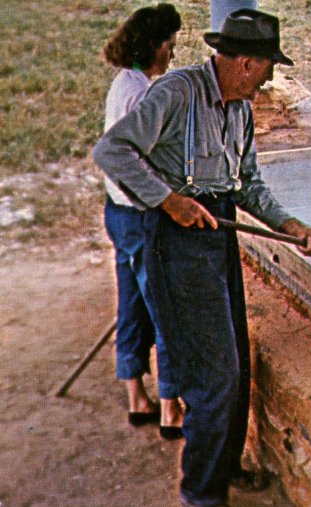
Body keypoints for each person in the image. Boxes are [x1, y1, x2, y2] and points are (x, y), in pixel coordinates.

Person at [93, 9, 311, 507]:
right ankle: (201, 494)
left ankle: (221, 471)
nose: (270, 79)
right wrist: (168, 200)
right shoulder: (177, 92)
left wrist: (294, 228)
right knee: (213, 376)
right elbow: (112, 151)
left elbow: (250, 187)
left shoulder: (241, 110)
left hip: (216, 235)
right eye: (269, 67)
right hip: (174, 241)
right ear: (245, 62)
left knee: (236, 366)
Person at [101, 3, 184, 439]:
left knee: (131, 305)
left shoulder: (124, 83)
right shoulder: (141, 95)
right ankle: (171, 407)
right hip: (138, 215)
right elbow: (137, 160)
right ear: (155, 46)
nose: (172, 53)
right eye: (170, 45)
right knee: (166, 307)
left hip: (116, 210)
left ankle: (137, 397)